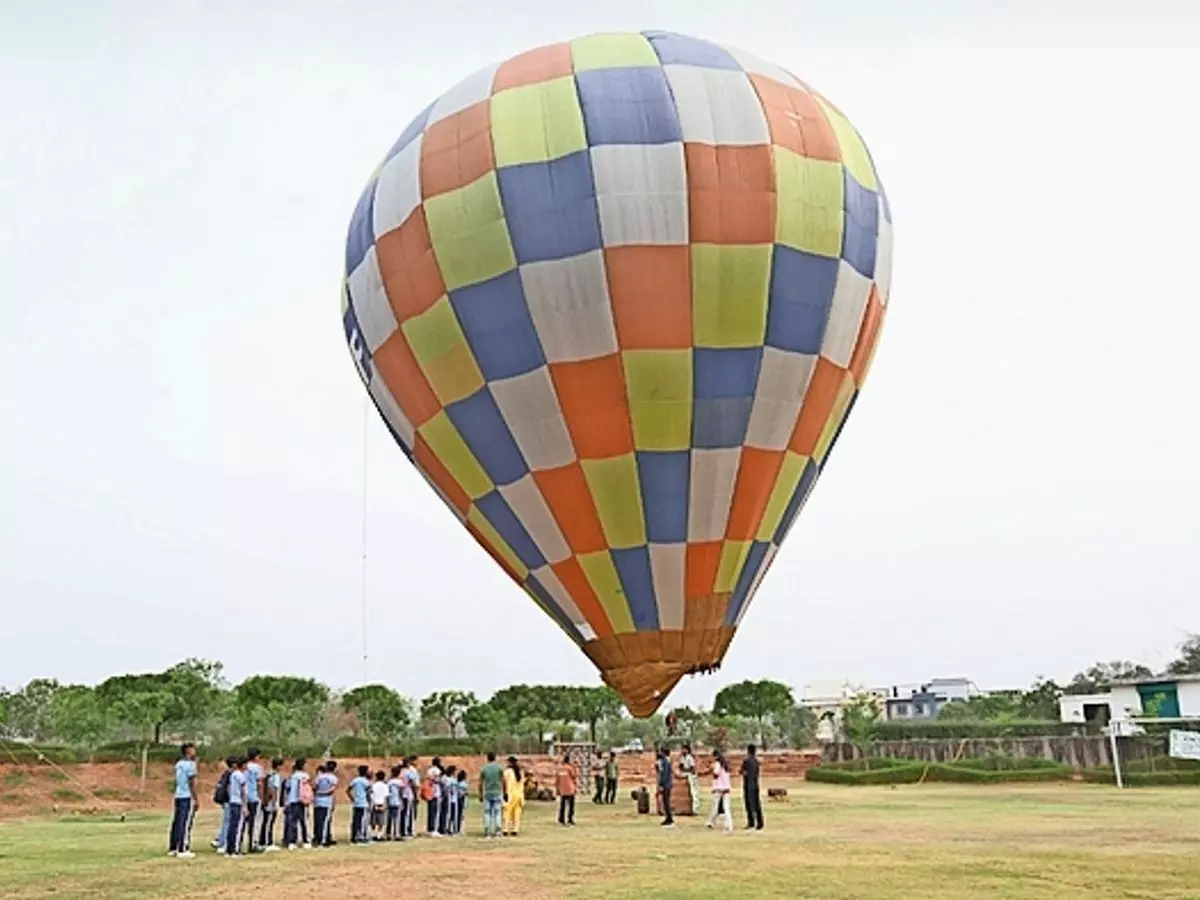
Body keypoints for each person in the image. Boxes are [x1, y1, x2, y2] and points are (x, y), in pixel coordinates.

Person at [168, 742, 198, 858]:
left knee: (177, 821)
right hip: (186, 795)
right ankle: (182, 848)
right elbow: (192, 783)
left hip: (178, 795)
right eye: (193, 750)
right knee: (185, 822)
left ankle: (173, 846)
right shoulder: (191, 765)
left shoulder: (179, 764)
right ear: (188, 752)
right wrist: (195, 798)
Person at [283, 758, 311, 850]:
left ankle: (292, 842)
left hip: (292, 801)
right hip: (302, 801)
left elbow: (287, 787)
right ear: (302, 765)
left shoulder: (292, 776)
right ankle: (306, 841)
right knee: (304, 822)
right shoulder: (305, 776)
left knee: (292, 822)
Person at [259, 757, 284, 851]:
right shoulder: (276, 776)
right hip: (271, 802)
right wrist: (274, 803)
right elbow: (274, 789)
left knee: (265, 822)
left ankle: (262, 841)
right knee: (269, 822)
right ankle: (267, 842)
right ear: (278, 766)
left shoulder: (268, 774)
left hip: (266, 801)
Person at [211, 755, 236, 853]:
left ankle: (220, 839)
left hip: (225, 800)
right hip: (229, 800)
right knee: (228, 822)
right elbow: (229, 788)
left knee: (226, 821)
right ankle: (223, 843)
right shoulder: (231, 774)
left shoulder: (226, 773)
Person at [224, 756, 248, 856]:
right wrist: (245, 806)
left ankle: (229, 849)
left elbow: (228, 788)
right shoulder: (241, 776)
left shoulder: (233, 774)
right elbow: (244, 792)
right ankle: (235, 849)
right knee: (238, 827)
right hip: (238, 803)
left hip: (232, 801)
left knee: (231, 826)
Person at [479, 752, 505, 838]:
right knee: (497, 812)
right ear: (495, 758)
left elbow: (480, 783)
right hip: (497, 792)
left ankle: (487, 830)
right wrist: (505, 792)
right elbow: (503, 781)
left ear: (487, 758)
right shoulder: (499, 768)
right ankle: (498, 830)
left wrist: (480, 794)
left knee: (487, 812)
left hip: (487, 793)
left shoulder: (484, 768)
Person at [706, 750, 733, 832]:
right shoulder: (726, 765)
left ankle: (711, 822)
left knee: (715, 806)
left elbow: (716, 775)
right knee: (726, 807)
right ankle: (728, 825)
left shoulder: (718, 764)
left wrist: (711, 768)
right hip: (726, 788)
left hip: (719, 787)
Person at [311, 762, 337, 847]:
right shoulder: (333, 778)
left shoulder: (319, 777)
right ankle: (323, 840)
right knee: (325, 822)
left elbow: (314, 787)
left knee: (318, 821)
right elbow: (332, 790)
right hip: (326, 802)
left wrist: (318, 793)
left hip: (317, 801)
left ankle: (317, 838)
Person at [243, 748, 263, 853]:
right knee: (254, 822)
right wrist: (261, 797)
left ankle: (240, 844)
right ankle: (253, 844)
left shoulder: (244, 766)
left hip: (244, 796)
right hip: (254, 796)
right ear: (256, 757)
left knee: (243, 822)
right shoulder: (257, 768)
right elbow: (259, 783)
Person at [741, 743, 763, 830]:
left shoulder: (746, 761)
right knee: (757, 804)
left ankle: (751, 822)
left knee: (749, 804)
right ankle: (760, 822)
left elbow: (742, 771)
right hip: (755, 784)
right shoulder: (757, 761)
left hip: (748, 785)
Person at [348, 764, 371, 844]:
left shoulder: (355, 780)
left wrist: (352, 799)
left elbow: (348, 790)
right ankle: (361, 837)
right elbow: (368, 793)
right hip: (363, 803)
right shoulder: (366, 782)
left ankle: (354, 836)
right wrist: (369, 802)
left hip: (356, 803)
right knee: (363, 821)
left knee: (355, 820)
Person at [502, 756, 524, 837]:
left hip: (510, 794)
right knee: (517, 813)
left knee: (507, 812)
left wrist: (504, 793)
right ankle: (515, 829)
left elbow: (504, 782)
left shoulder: (507, 772)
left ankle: (505, 829)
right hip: (518, 795)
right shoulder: (520, 772)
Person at [556, 752, 577, 826]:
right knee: (571, 806)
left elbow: (557, 779)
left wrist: (557, 789)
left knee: (562, 806)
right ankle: (570, 819)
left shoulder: (559, 768)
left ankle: (561, 819)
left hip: (562, 789)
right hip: (570, 789)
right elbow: (574, 776)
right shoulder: (569, 768)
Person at [401, 756, 420, 839]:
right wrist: (416, 795)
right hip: (408, 794)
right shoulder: (409, 772)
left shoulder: (401, 771)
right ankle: (406, 832)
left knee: (404, 813)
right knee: (407, 813)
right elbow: (413, 783)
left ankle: (404, 830)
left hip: (402, 794)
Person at [424, 757, 443, 836]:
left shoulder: (429, 770)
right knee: (436, 811)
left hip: (429, 792)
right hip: (435, 792)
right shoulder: (437, 770)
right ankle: (434, 829)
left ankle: (430, 828)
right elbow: (438, 780)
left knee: (430, 811)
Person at [657, 746, 674, 828]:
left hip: (666, 785)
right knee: (665, 802)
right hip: (667, 784)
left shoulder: (665, 762)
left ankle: (670, 819)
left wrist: (661, 784)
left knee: (666, 802)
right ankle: (668, 818)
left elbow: (664, 774)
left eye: (660, 751)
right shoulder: (664, 761)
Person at [680, 745, 699, 815]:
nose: (682, 751)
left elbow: (692, 768)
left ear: (687, 750)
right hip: (685, 775)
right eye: (682, 749)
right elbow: (681, 766)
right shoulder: (682, 758)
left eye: (684, 749)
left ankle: (695, 809)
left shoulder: (689, 758)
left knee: (693, 792)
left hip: (690, 776)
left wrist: (685, 770)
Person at [386, 765, 404, 840]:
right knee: (397, 819)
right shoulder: (400, 782)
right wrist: (401, 801)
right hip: (397, 801)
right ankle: (396, 834)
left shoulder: (389, 782)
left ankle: (388, 834)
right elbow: (401, 792)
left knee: (389, 818)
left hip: (390, 801)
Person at [370, 770, 389, 840]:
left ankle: (373, 834)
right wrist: (385, 805)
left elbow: (372, 795)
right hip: (381, 803)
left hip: (374, 803)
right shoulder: (385, 786)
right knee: (381, 822)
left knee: (373, 821)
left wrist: (373, 804)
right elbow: (386, 796)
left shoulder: (373, 785)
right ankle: (379, 835)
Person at [440, 765, 458, 835]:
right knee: (447, 814)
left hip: (453, 799)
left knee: (452, 815)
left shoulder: (453, 778)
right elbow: (445, 788)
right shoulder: (445, 778)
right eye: (454, 771)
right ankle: (445, 828)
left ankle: (450, 828)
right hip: (447, 798)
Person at [455, 768, 469, 835]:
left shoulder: (457, 783)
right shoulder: (463, 784)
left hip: (457, 799)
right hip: (462, 800)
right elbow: (464, 793)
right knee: (461, 816)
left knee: (458, 815)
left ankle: (458, 828)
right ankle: (460, 829)